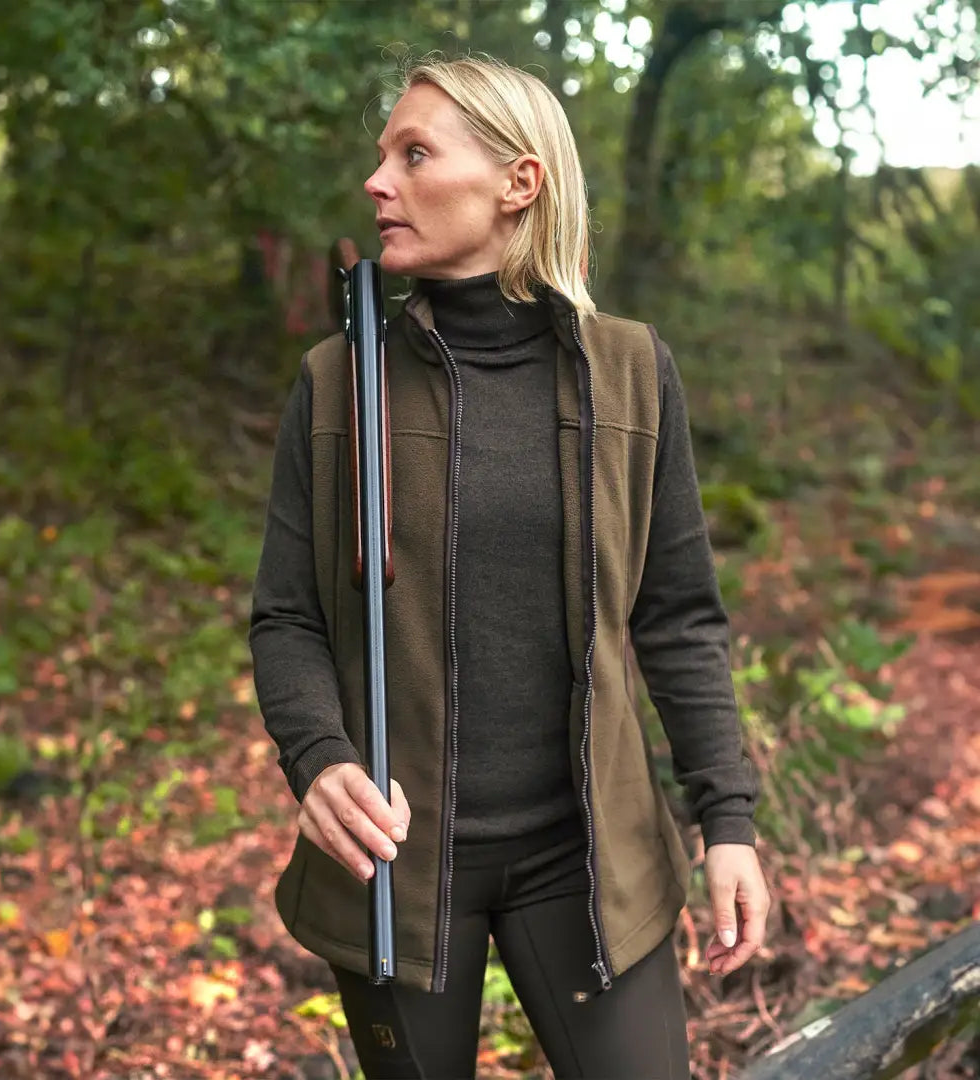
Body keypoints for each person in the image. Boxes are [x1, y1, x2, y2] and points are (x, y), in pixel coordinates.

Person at [249, 52, 771, 1080]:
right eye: (379, 157)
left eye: (413, 154)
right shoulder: (336, 384)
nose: (376, 181)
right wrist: (319, 756)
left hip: (587, 858)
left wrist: (729, 820)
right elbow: (287, 618)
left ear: (517, 183)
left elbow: (677, 615)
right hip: (398, 862)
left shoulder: (630, 367)